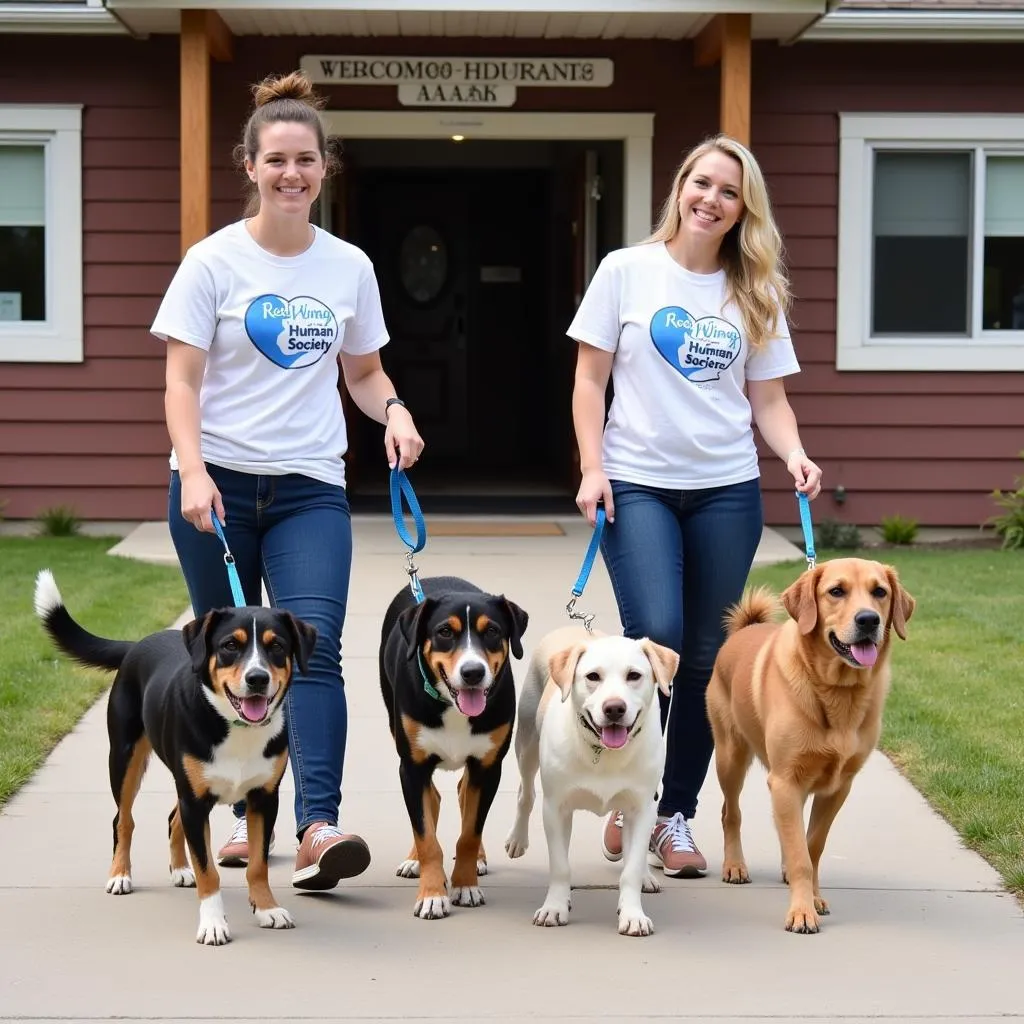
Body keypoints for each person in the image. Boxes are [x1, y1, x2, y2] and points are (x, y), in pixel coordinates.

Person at [150, 70, 424, 891]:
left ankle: (314, 826)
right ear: (249, 164)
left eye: (306, 160)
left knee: (312, 651)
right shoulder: (212, 263)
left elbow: (365, 372)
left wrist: (397, 412)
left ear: (324, 167)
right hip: (216, 486)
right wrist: (193, 472)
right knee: (228, 657)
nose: (292, 173)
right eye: (277, 160)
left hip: (310, 486)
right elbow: (181, 383)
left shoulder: (349, 267)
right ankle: (238, 819)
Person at [567, 134, 822, 879]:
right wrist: (592, 466)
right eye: (701, 183)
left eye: (729, 192)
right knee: (660, 635)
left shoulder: (756, 289)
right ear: (680, 188)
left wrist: (794, 454)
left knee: (707, 659)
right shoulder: (625, 271)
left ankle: (672, 813)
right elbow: (590, 381)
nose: (711, 199)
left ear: (746, 209)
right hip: (638, 480)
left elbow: (767, 398)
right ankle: (631, 792)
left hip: (727, 490)